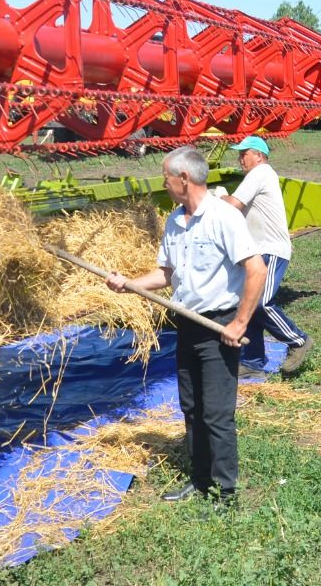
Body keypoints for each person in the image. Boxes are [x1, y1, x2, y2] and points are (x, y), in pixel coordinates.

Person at [109, 146, 264, 504]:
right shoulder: (174, 221)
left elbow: (256, 269)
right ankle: (199, 480)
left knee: (217, 413)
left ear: (184, 178)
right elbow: (167, 273)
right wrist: (128, 283)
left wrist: (240, 322)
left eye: (166, 177)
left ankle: (225, 491)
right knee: (191, 407)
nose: (163, 183)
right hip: (188, 324)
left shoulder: (223, 218)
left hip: (220, 327)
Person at [224, 136, 312, 375]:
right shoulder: (257, 175)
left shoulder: (260, 173)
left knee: (261, 301)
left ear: (259, 156)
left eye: (245, 153)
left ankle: (298, 340)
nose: (240, 158)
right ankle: (252, 362)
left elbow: (233, 205)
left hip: (271, 248)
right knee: (249, 303)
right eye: (239, 154)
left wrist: (213, 198)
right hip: (256, 250)